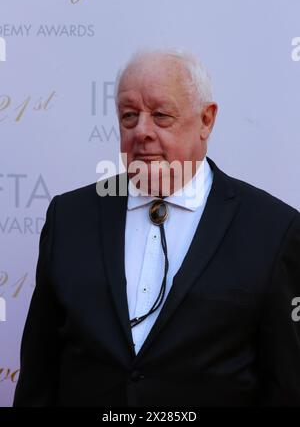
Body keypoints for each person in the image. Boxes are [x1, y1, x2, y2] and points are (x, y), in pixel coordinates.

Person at [13, 49, 300, 407]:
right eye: (129, 116)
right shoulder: (69, 217)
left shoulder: (272, 229)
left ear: (206, 120)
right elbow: (40, 371)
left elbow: (287, 383)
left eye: (161, 116)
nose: (142, 132)